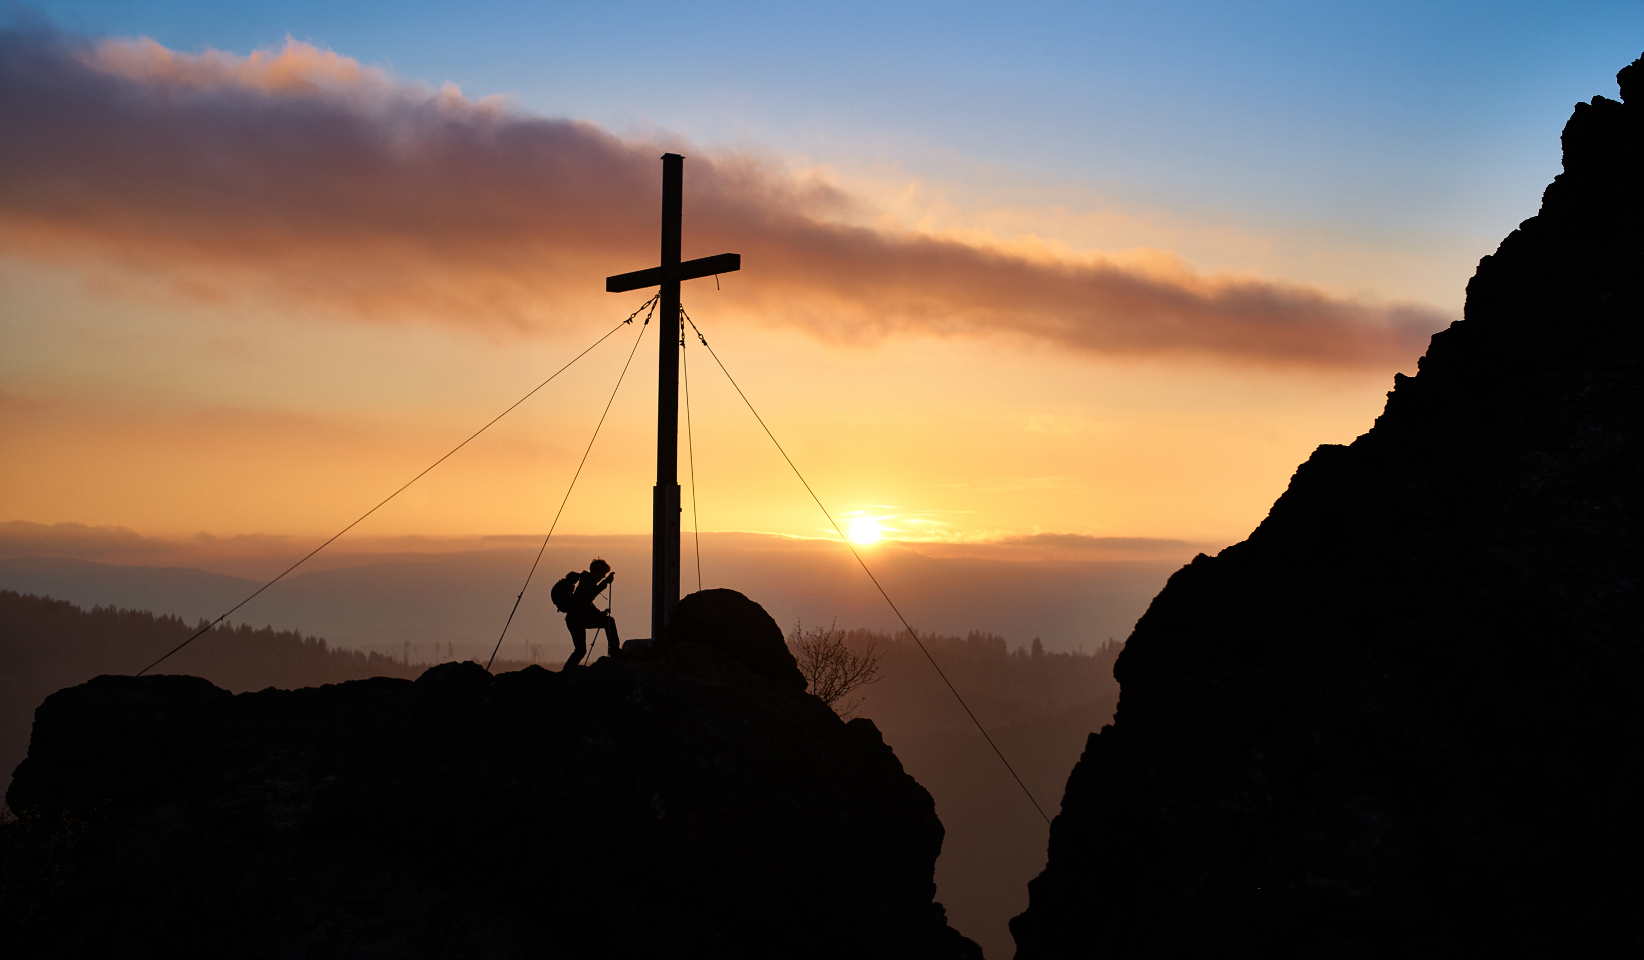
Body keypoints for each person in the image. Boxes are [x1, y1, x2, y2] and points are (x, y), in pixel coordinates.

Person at [563, 558, 619, 669]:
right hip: (576, 620)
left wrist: (599, 614)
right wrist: (606, 582)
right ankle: (615, 652)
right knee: (580, 650)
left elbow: (587, 603)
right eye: (603, 573)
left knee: (580, 650)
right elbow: (590, 595)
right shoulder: (586, 582)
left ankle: (566, 671)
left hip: (577, 619)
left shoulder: (587, 581)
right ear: (596, 571)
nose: (603, 576)